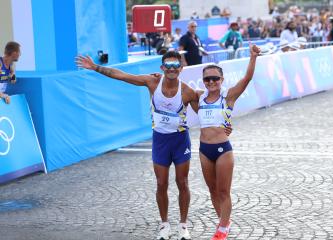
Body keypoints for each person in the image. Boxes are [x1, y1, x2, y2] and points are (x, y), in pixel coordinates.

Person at [76, 51, 200, 240]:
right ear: (162, 68)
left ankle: (183, 226)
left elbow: (205, 115)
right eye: (169, 65)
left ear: (181, 69)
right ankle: (164, 225)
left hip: (180, 139)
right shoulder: (152, 82)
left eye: (176, 65)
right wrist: (95, 67)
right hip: (160, 140)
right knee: (161, 183)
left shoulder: (188, 92)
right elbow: (122, 76)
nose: (172, 69)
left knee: (182, 182)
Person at [190, 44, 260, 240]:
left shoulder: (228, 96)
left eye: (215, 78)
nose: (211, 81)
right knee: (212, 190)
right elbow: (177, 89)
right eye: (207, 78)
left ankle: (221, 230)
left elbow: (246, 79)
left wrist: (253, 57)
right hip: (204, 150)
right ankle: (224, 221)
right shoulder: (198, 97)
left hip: (222, 149)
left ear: (222, 80)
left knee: (223, 191)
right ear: (203, 81)